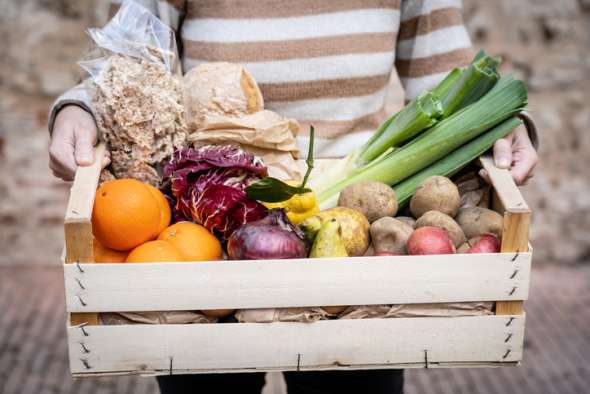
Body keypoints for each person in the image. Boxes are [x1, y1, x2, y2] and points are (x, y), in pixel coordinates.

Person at [48, 1, 538, 393]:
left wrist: (499, 128)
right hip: (214, 237)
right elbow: (128, 62)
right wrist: (80, 109)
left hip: (355, 247)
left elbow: (450, 85)